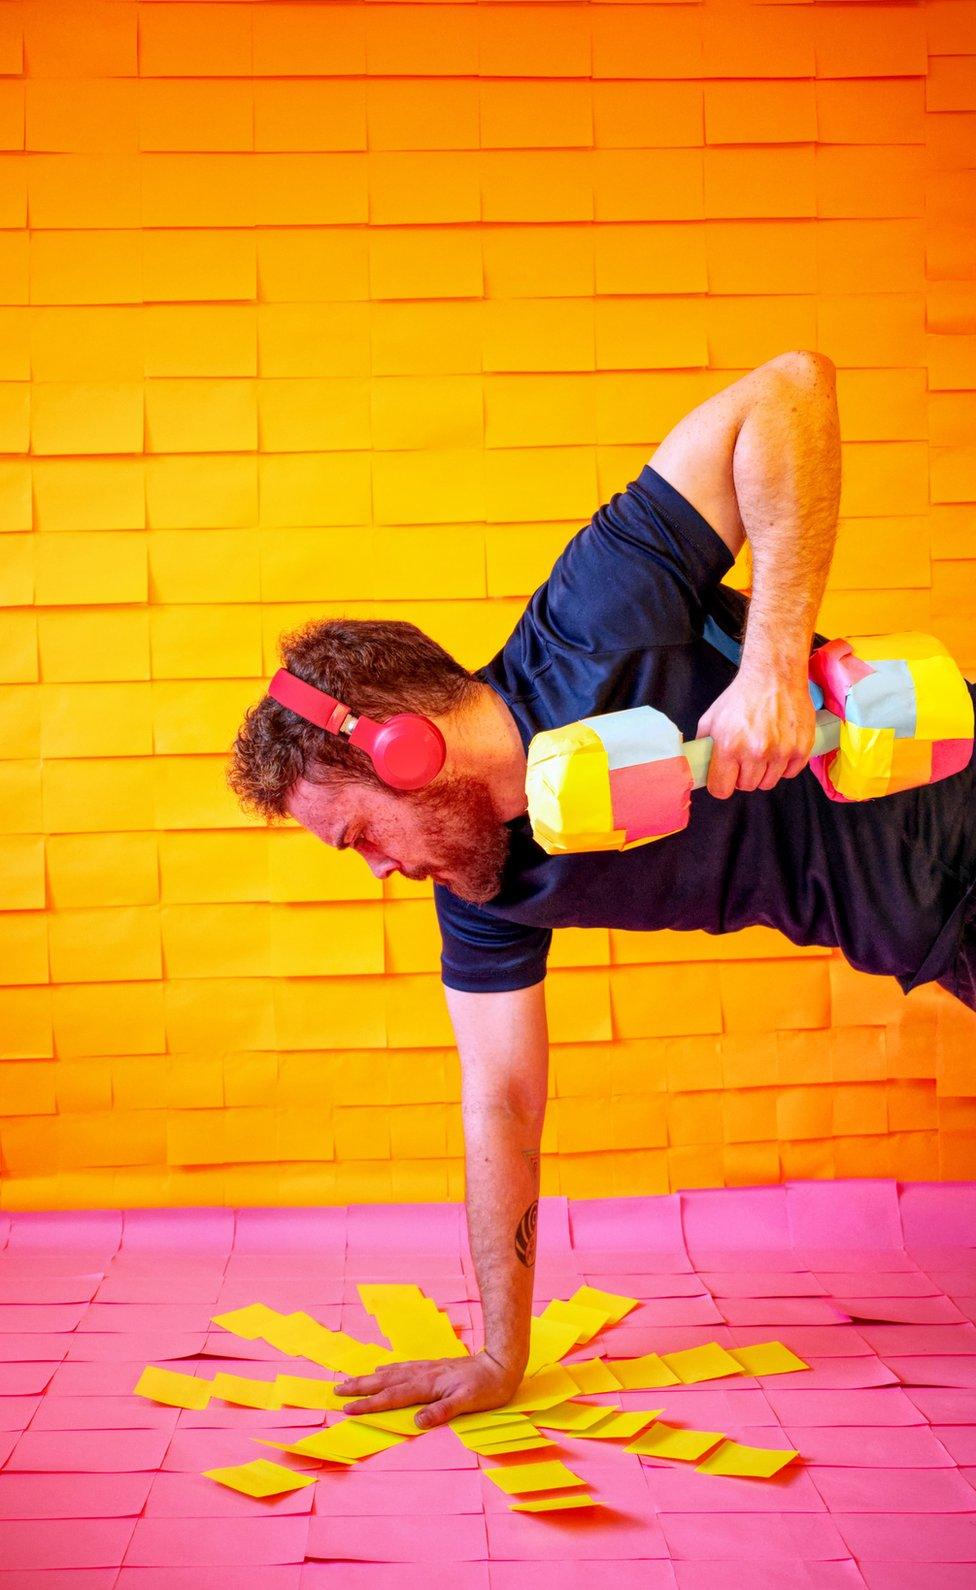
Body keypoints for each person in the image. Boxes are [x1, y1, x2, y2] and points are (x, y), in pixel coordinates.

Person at [226, 349, 976, 1430]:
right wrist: (499, 1350)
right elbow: (502, 1101)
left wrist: (769, 664)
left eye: (357, 839)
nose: (382, 870)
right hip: (941, 929)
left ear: (398, 748)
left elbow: (790, 391)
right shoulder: (483, 892)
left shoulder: (589, 618)